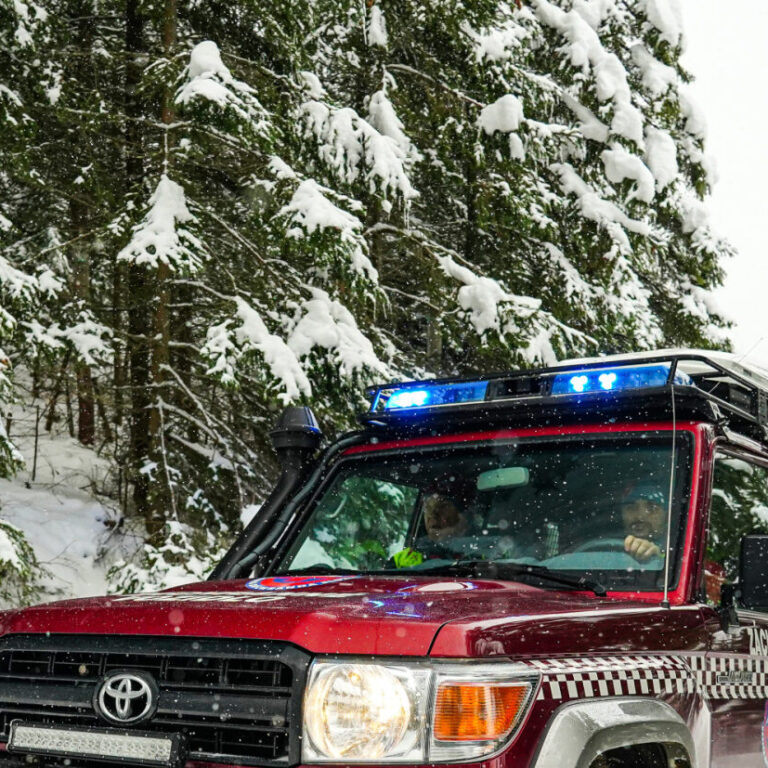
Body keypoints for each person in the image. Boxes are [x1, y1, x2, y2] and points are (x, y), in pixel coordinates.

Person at [393, 494, 468, 568]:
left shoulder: (473, 559)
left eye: (442, 508)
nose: (433, 515)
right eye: (428, 509)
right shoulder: (403, 559)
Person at [620, 482, 668, 562]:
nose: (640, 517)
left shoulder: (678, 551)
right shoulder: (603, 550)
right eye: (631, 507)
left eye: (652, 508)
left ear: (667, 517)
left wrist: (658, 556)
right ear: (622, 514)